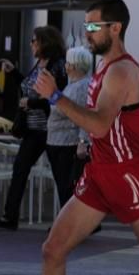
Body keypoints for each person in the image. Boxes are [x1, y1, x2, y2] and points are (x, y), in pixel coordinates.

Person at [0, 0, 139, 275]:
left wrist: (54, 95)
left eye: (92, 26)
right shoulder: (111, 68)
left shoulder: (120, 71)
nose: (85, 33)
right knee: (53, 250)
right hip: (100, 174)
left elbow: (101, 125)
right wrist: (134, 118)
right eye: (85, 25)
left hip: (127, 175)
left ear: (115, 29)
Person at [0, 26, 67, 230]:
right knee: (20, 169)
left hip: (51, 129)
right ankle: (10, 217)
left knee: (61, 177)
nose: (31, 44)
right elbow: (28, 86)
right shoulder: (39, 64)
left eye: (34, 41)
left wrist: (32, 104)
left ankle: (72, 223)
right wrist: (13, 72)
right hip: (33, 129)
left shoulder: (58, 66)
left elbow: (59, 99)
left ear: (45, 42)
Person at [45, 47, 94, 208]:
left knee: (67, 188)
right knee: (63, 186)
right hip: (58, 141)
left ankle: (69, 225)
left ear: (73, 65)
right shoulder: (72, 85)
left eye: (67, 63)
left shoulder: (81, 86)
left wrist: (82, 141)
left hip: (67, 143)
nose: (65, 66)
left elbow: (84, 115)